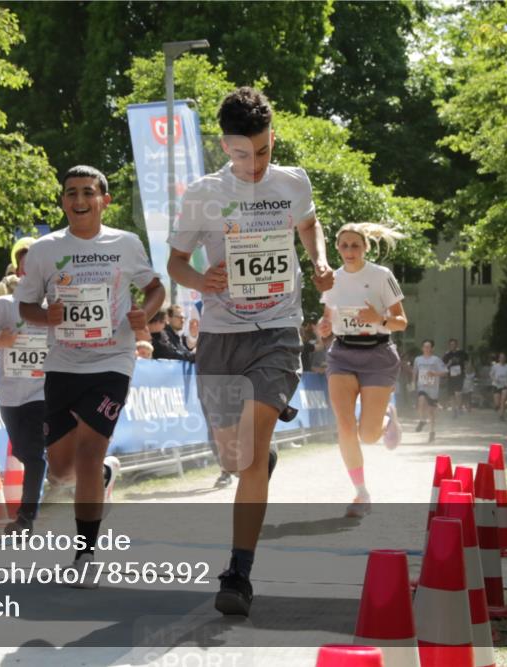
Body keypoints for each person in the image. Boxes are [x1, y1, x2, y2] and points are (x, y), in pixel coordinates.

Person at [167, 87, 333, 617]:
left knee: (252, 449)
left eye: (262, 151)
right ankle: (257, 457)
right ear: (224, 147)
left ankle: (238, 571)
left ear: (272, 140)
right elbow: (176, 264)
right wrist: (203, 279)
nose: (255, 164)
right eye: (243, 154)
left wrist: (319, 261)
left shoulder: (293, 182)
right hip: (220, 335)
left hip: (278, 331)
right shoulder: (201, 194)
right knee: (234, 455)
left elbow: (308, 225)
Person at [16, 165, 165, 581]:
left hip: (112, 362)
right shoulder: (45, 250)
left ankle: (85, 556)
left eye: (87, 193)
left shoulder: (126, 243)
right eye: (70, 193)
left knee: (88, 453)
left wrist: (144, 315)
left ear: (104, 199)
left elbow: (156, 287)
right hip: (63, 364)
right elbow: (25, 306)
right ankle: (100, 479)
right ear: (62, 200)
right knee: (62, 470)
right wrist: (47, 317)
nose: (78, 201)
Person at [319, 222, 408, 518]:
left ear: (365, 248)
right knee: (345, 426)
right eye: (343, 245)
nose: (349, 251)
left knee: (368, 436)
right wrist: (324, 327)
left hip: (378, 355)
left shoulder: (382, 276)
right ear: (337, 249)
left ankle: (385, 418)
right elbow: (328, 318)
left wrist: (378, 317)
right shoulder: (332, 279)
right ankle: (361, 492)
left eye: (355, 245)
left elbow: (401, 322)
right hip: (342, 354)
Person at [0, 238, 46, 533]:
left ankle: (25, 518)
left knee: (33, 455)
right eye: (23, 265)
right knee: (21, 451)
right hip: (10, 392)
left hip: (43, 391)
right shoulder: (5, 305)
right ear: (18, 270)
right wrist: (0, 342)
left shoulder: (53, 306)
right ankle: (84, 473)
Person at [413, 340, 447, 442]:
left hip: (432, 389)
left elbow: (445, 372)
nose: (426, 349)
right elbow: (415, 371)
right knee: (421, 401)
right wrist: (412, 382)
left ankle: (432, 432)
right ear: (422, 348)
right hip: (422, 386)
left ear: (432, 348)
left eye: (428, 347)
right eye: (424, 346)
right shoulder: (418, 359)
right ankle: (422, 420)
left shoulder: (436, 360)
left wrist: (434, 374)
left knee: (431, 412)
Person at [442, 338, 468, 418]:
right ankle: (454, 410)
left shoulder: (461, 353)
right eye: (451, 345)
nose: (452, 346)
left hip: (459, 376)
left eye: (454, 344)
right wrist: (449, 364)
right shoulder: (447, 354)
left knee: (458, 393)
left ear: (456, 345)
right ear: (449, 345)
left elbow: (467, 361)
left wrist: (466, 369)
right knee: (452, 394)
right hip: (451, 376)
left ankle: (459, 407)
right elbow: (443, 366)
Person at [490, 351, 507, 421]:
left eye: (503, 357)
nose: (502, 359)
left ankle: (501, 415)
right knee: (497, 403)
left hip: (505, 385)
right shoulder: (495, 366)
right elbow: (491, 374)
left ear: (505, 358)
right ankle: (496, 406)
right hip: (496, 385)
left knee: (503, 400)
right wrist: (494, 379)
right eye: (501, 357)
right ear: (499, 358)